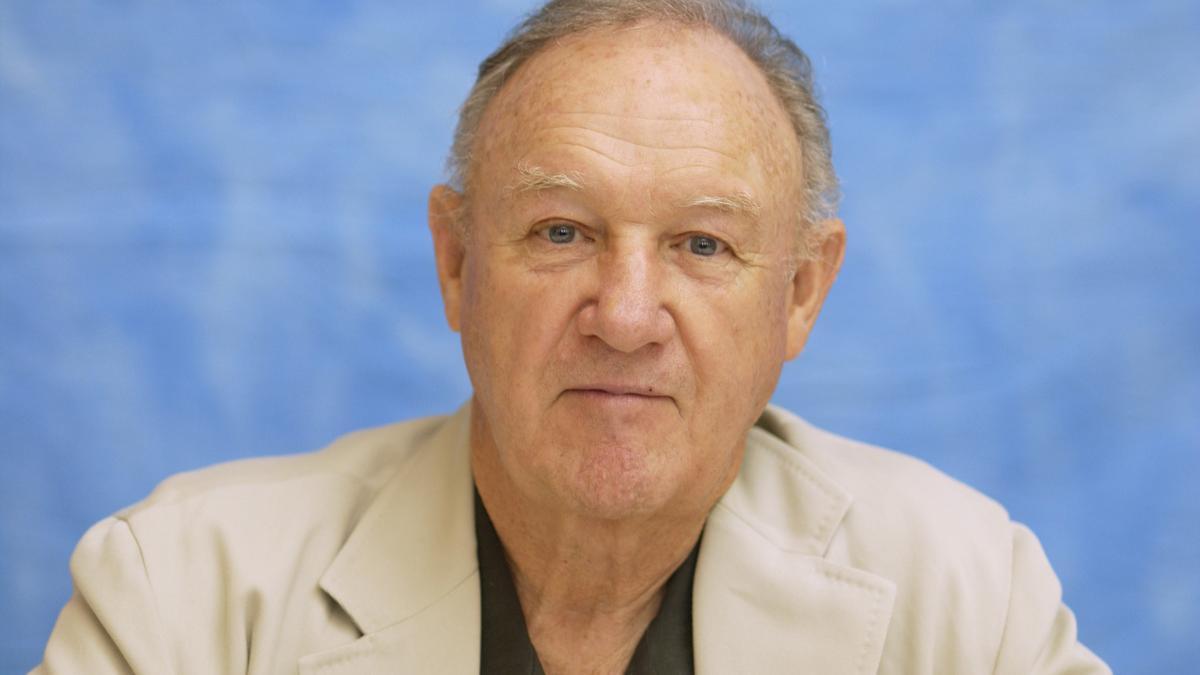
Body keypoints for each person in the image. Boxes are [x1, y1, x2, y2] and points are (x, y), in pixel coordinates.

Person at [36, 0, 1110, 673]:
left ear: (800, 293)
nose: (627, 317)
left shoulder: (967, 601)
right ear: (457, 263)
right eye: (562, 232)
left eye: (701, 244)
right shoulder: (180, 599)